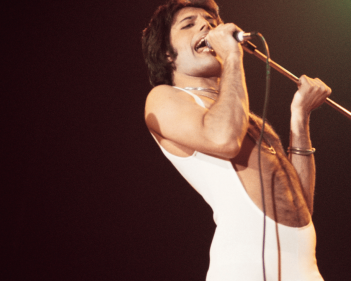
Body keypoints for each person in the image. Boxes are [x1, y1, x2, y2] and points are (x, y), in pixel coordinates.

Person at [142, 1, 331, 280]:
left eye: (210, 20)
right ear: (168, 54)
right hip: (244, 268)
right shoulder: (163, 97)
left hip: (304, 270)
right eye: (189, 24)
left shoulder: (247, 119)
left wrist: (299, 117)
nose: (207, 25)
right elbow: (224, 140)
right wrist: (232, 56)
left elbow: (300, 205)